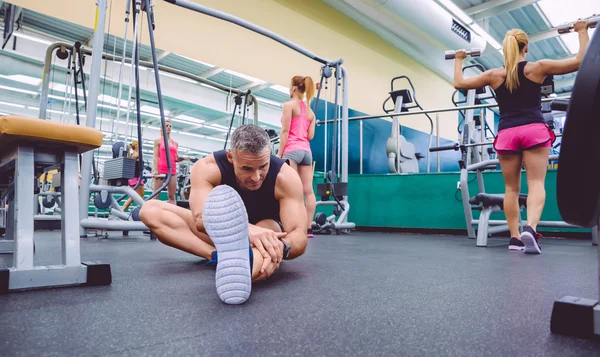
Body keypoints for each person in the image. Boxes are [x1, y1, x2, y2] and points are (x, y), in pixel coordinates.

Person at [452, 20, 590, 254]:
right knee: (536, 183)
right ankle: (531, 228)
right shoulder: (537, 68)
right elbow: (580, 61)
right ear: (525, 48)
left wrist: (458, 59)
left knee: (511, 190)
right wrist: (582, 31)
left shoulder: (494, 75)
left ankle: (515, 238)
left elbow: (459, 83)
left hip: (506, 134)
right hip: (533, 131)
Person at [139, 124, 308, 304]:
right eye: (247, 169)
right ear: (230, 157)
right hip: (221, 233)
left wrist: (280, 248)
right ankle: (218, 257)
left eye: (262, 166)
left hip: (265, 233)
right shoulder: (207, 168)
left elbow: (299, 235)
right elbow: (200, 219)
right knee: (149, 210)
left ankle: (247, 264)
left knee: (267, 230)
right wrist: (246, 230)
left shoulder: (285, 176)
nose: (256, 177)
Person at [277, 75, 317, 238]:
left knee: (292, 192)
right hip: (306, 152)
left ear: (294, 89)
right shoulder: (311, 112)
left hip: (292, 150)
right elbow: (310, 136)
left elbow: (285, 131)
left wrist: (279, 154)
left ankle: (293, 227)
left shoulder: (289, 106)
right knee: (308, 191)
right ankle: (308, 228)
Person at [152, 119, 188, 204]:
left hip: (172, 170)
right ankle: (149, 214)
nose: (168, 127)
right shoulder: (157, 141)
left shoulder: (175, 143)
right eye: (166, 126)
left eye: (170, 126)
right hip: (161, 170)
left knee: (172, 196)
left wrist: (184, 158)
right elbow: (155, 157)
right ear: (161, 128)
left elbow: (175, 158)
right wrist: (155, 170)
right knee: (155, 195)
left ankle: (173, 214)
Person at [122, 140, 145, 212]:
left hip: (136, 178)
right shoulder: (135, 155)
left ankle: (122, 210)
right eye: (139, 145)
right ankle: (142, 212)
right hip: (136, 179)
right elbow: (138, 156)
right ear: (136, 146)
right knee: (139, 196)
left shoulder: (134, 154)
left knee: (134, 197)